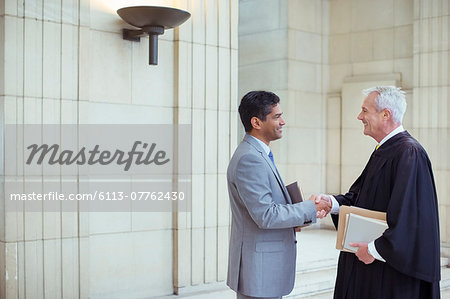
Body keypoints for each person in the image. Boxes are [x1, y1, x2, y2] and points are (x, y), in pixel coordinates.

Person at [315, 86, 441, 298]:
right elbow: (360, 198)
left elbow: (410, 218)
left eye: (365, 111)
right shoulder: (386, 149)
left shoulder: (409, 153)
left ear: (385, 114)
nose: (359, 116)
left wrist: (374, 250)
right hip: (371, 268)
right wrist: (332, 203)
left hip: (389, 274)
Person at [226, 90, 330, 299]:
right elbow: (266, 214)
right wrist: (310, 207)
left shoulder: (258, 154)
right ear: (256, 122)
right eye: (276, 116)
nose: (283, 122)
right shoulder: (250, 159)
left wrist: (299, 216)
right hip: (260, 270)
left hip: (263, 270)